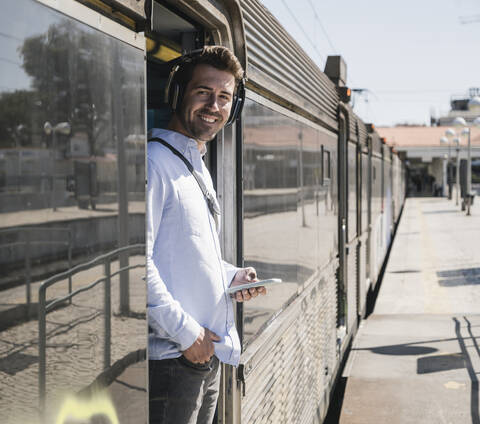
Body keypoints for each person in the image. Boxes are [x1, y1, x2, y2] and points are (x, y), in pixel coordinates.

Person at [147, 46, 266, 424]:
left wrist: (230, 275)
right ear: (178, 93)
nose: (214, 105)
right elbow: (135, 263)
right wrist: (188, 338)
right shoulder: (155, 163)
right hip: (175, 360)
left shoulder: (192, 162)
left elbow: (183, 252)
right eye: (203, 92)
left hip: (203, 354)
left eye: (225, 97)